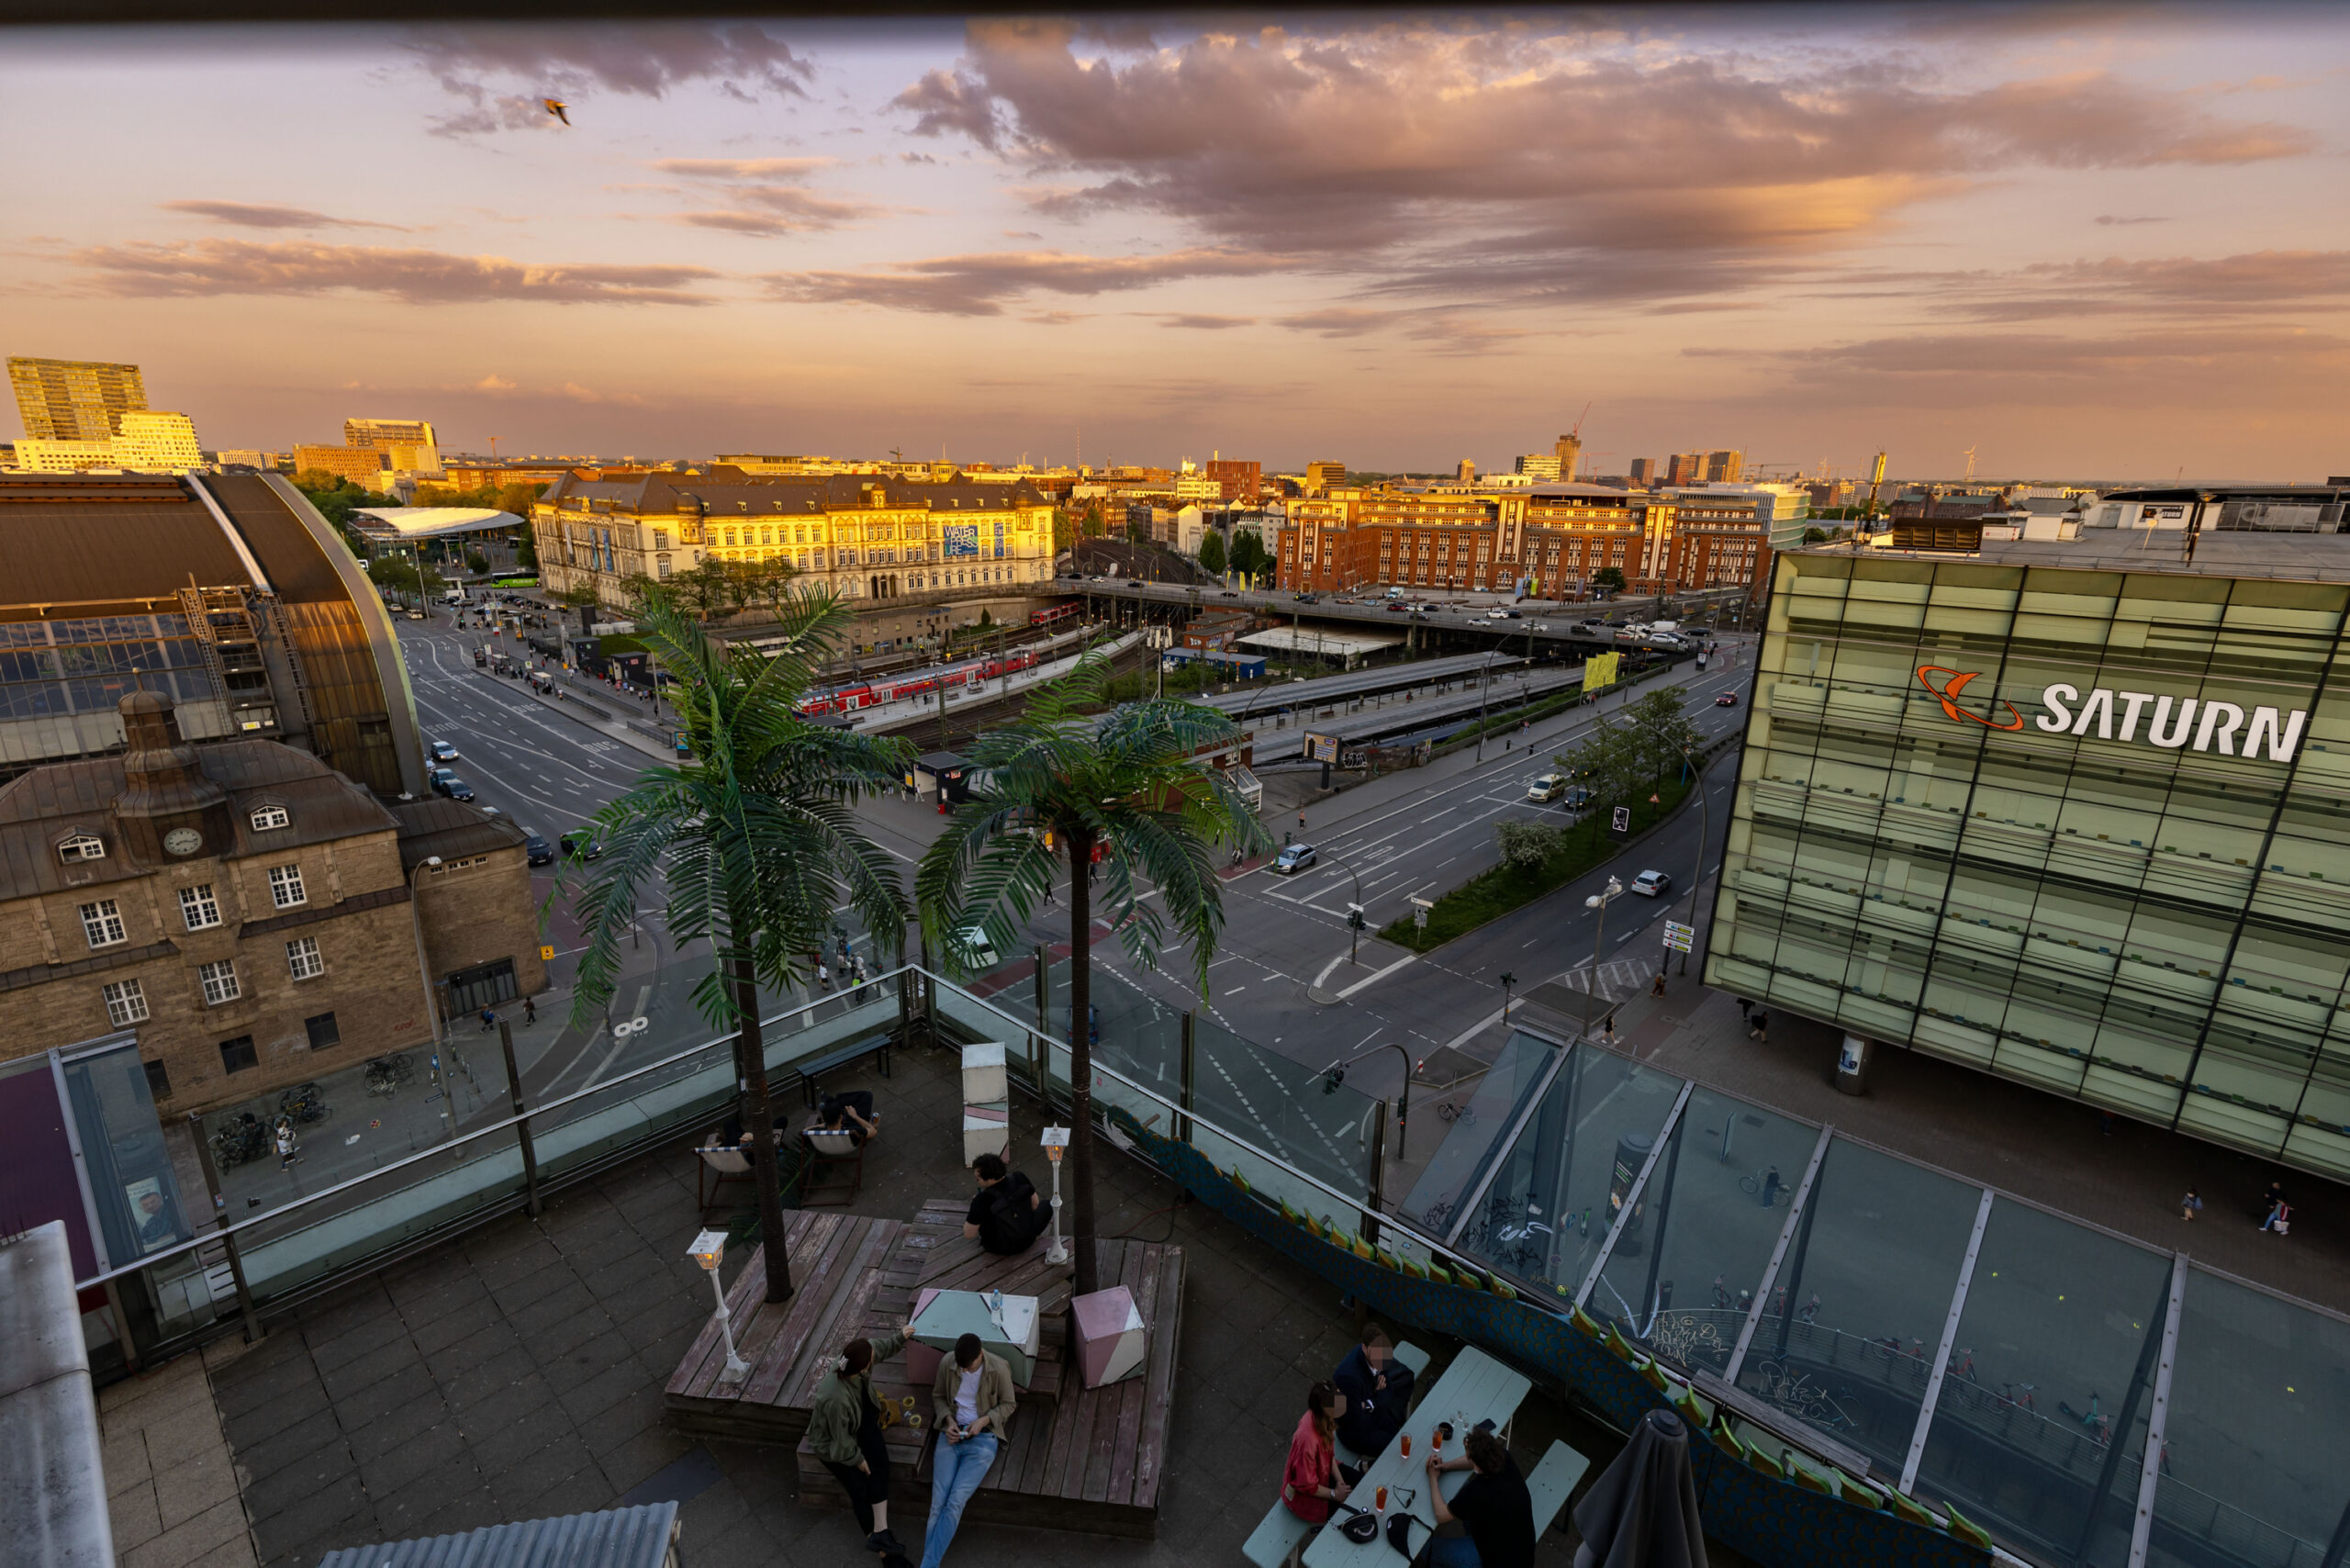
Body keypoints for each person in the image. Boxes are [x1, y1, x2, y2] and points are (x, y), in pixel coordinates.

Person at [808, 1322, 916, 1563]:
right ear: (863, 1368)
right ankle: (887, 1555)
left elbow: (881, 1347)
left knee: (881, 1465)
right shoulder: (835, 1399)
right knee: (859, 1488)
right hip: (833, 1444)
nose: (873, 1360)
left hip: (860, 1417)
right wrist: (858, 1460)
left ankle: (881, 1534)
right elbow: (840, 1440)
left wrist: (901, 1337)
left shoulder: (854, 1360)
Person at [920, 1332, 1017, 1568]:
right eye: (961, 1367)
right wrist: (948, 1422)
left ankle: (927, 1564)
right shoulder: (948, 1363)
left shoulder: (998, 1368)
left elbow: (1009, 1404)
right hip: (951, 1435)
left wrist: (984, 1421)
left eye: (969, 1367)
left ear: (980, 1355)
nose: (964, 1371)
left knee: (955, 1502)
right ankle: (929, 1564)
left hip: (982, 1440)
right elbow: (939, 1397)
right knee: (937, 1503)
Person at [1425, 1428, 1537, 1568]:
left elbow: (1441, 1515)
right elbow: (1472, 1461)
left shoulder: (1477, 1491)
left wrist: (1433, 1478)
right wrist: (1446, 1466)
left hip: (1497, 1561)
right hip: (1522, 1550)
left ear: (1477, 1464)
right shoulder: (1503, 1457)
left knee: (1428, 1549)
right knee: (1463, 1493)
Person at [1332, 1324, 1416, 1463]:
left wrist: (1370, 1403)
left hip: (1371, 1413)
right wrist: (1375, 1398)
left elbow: (1388, 1390)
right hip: (1353, 1431)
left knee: (1398, 1436)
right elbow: (1354, 1420)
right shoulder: (1348, 1378)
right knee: (1393, 1449)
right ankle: (1366, 1468)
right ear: (1364, 1348)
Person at [1282, 1382, 1350, 1526]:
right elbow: (1307, 1485)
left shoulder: (1322, 1419)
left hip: (1323, 1475)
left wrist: (1340, 1481)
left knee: (1360, 1485)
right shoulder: (1307, 1441)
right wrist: (1335, 1494)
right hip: (1305, 1500)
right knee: (1348, 1516)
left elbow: (1329, 1455)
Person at [963, 1154, 1053, 1255]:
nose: (976, 1180)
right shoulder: (1019, 1177)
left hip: (1001, 1248)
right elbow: (1035, 1204)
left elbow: (969, 1234)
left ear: (989, 1179)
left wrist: (974, 1208)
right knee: (1047, 1204)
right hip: (1028, 1237)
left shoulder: (982, 1200)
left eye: (978, 1178)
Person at [816, 1091, 880, 1147]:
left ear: (824, 1119)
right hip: (852, 1124)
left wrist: (823, 1125)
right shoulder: (854, 1131)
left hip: (837, 1124)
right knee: (867, 1095)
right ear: (841, 1117)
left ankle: (832, 1102)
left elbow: (806, 1130)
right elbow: (873, 1131)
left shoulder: (816, 1132)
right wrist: (855, 1116)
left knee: (839, 1097)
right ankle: (834, 1103)